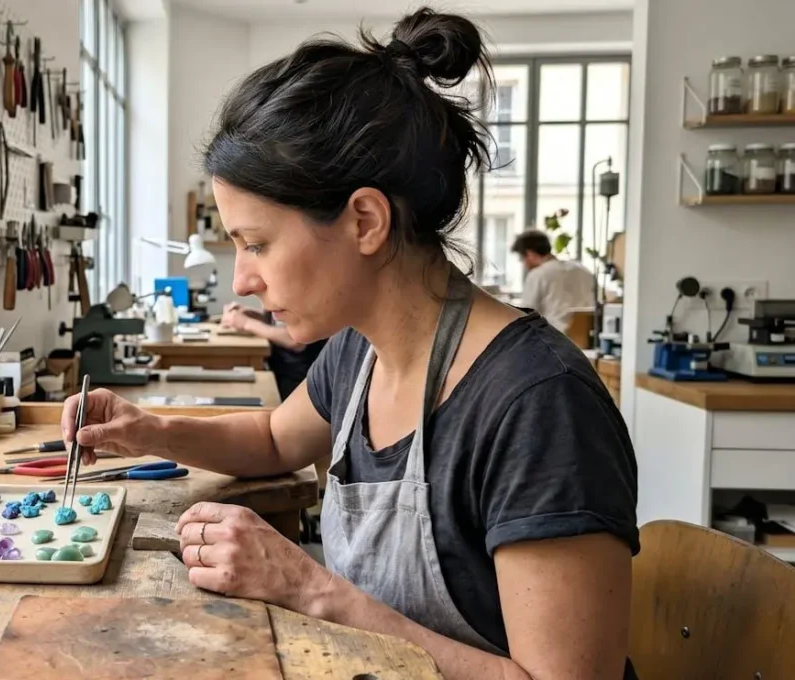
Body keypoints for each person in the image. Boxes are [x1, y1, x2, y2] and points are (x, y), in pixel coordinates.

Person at [63, 9, 638, 679]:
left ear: (365, 220)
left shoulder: (538, 407)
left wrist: (310, 589)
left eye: (257, 244)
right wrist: (148, 429)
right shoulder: (360, 352)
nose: (243, 280)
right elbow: (275, 440)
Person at [219, 301, 327, 400]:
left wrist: (246, 323)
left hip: (299, 382)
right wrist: (256, 316)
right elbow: (280, 323)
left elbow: (295, 340)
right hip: (281, 370)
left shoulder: (298, 295)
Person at [511, 229, 596, 334]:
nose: (523, 264)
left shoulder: (538, 275)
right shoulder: (582, 270)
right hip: (587, 337)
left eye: (522, 258)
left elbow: (526, 316)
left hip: (555, 338)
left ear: (530, 254)